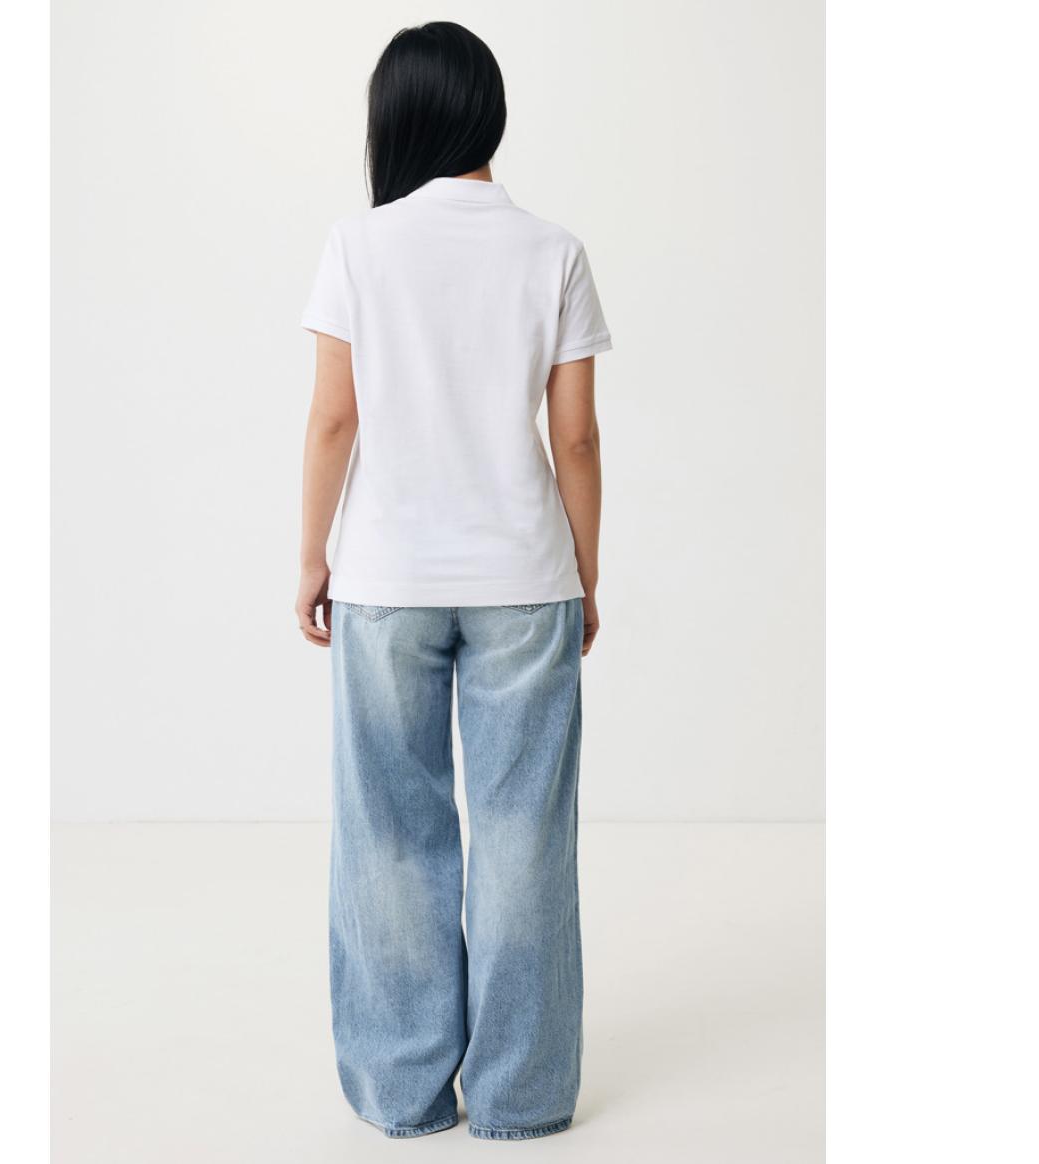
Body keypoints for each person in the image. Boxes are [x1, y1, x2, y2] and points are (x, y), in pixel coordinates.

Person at [296, 21, 610, 1142]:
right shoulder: (553, 250)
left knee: (390, 833)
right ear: (489, 113)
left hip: (385, 577)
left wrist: (312, 556)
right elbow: (576, 439)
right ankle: (522, 1096)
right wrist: (584, 572)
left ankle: (404, 1091)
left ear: (395, 120)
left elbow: (334, 420)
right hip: (524, 576)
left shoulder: (357, 246)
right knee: (526, 837)